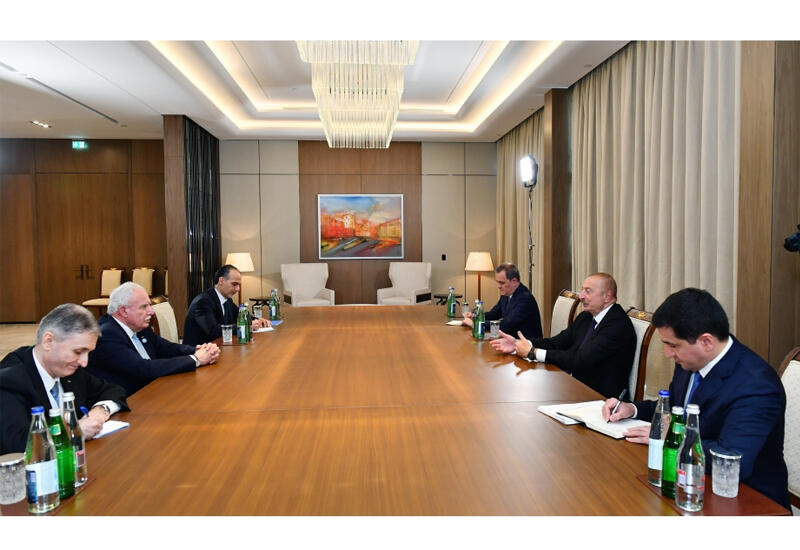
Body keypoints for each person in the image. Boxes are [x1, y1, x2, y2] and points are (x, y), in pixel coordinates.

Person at [601, 288, 790, 509]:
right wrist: (631, 409)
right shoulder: (690, 361)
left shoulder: (756, 385)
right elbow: (675, 409)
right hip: (686, 482)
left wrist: (672, 436)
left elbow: (731, 459)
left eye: (673, 345)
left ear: (706, 342)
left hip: (747, 502)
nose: (668, 354)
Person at [0, 303, 129, 454]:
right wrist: (74, 431)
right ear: (48, 341)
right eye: (78, 352)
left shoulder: (68, 369)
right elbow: (18, 443)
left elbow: (113, 390)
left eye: (88, 353)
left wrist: (100, 410)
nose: (84, 362)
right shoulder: (9, 380)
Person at [490, 272, 635, 398]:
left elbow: (579, 360)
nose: (581, 296)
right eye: (582, 290)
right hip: (574, 385)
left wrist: (533, 352)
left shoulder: (617, 325)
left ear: (607, 296)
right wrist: (518, 344)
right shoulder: (586, 317)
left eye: (588, 291)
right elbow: (557, 342)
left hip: (600, 398)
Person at [87, 282, 220, 396]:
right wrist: (195, 359)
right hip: (131, 399)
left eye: (149, 305)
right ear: (123, 311)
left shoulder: (139, 327)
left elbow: (167, 348)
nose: (151, 311)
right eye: (144, 307)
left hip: (153, 389)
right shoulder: (107, 335)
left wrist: (200, 350)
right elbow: (144, 369)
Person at [183, 264, 270, 346]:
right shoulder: (203, 301)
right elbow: (213, 331)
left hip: (219, 346)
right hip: (199, 351)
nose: (238, 289)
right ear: (221, 281)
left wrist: (258, 320)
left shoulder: (227, 299)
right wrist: (246, 325)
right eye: (234, 284)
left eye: (239, 285)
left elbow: (239, 315)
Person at [461, 262, 543, 339]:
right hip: (510, 341)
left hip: (526, 345)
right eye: (497, 282)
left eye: (502, 283)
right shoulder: (506, 294)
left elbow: (505, 325)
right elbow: (493, 314)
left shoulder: (525, 298)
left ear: (514, 281)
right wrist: (474, 316)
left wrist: (476, 324)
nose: (498, 286)